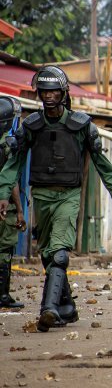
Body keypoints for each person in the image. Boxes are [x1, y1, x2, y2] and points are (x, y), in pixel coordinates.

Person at [0, 66, 112, 331]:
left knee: (59, 254)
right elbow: (15, 163)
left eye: (53, 91)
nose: (48, 96)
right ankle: (67, 308)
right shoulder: (31, 126)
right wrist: (3, 194)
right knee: (48, 255)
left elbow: (103, 164)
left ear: (63, 92)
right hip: (41, 196)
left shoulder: (82, 126)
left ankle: (48, 310)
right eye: (44, 91)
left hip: (68, 195)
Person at [0, 96, 24, 308]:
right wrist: (19, 210)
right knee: (5, 249)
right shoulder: (8, 146)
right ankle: (3, 295)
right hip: (4, 207)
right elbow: (13, 181)